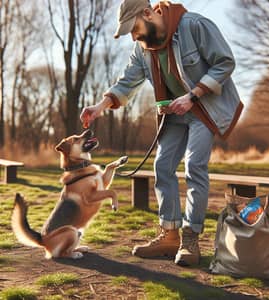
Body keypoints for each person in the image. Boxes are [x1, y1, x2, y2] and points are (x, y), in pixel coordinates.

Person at [80, 0, 243, 266]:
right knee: (163, 165)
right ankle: (169, 235)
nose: (133, 36)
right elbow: (127, 82)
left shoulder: (194, 26)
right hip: (173, 115)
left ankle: (191, 238)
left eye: (134, 29)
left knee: (194, 167)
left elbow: (225, 63)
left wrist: (192, 96)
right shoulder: (143, 49)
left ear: (148, 13)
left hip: (203, 109)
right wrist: (100, 106)